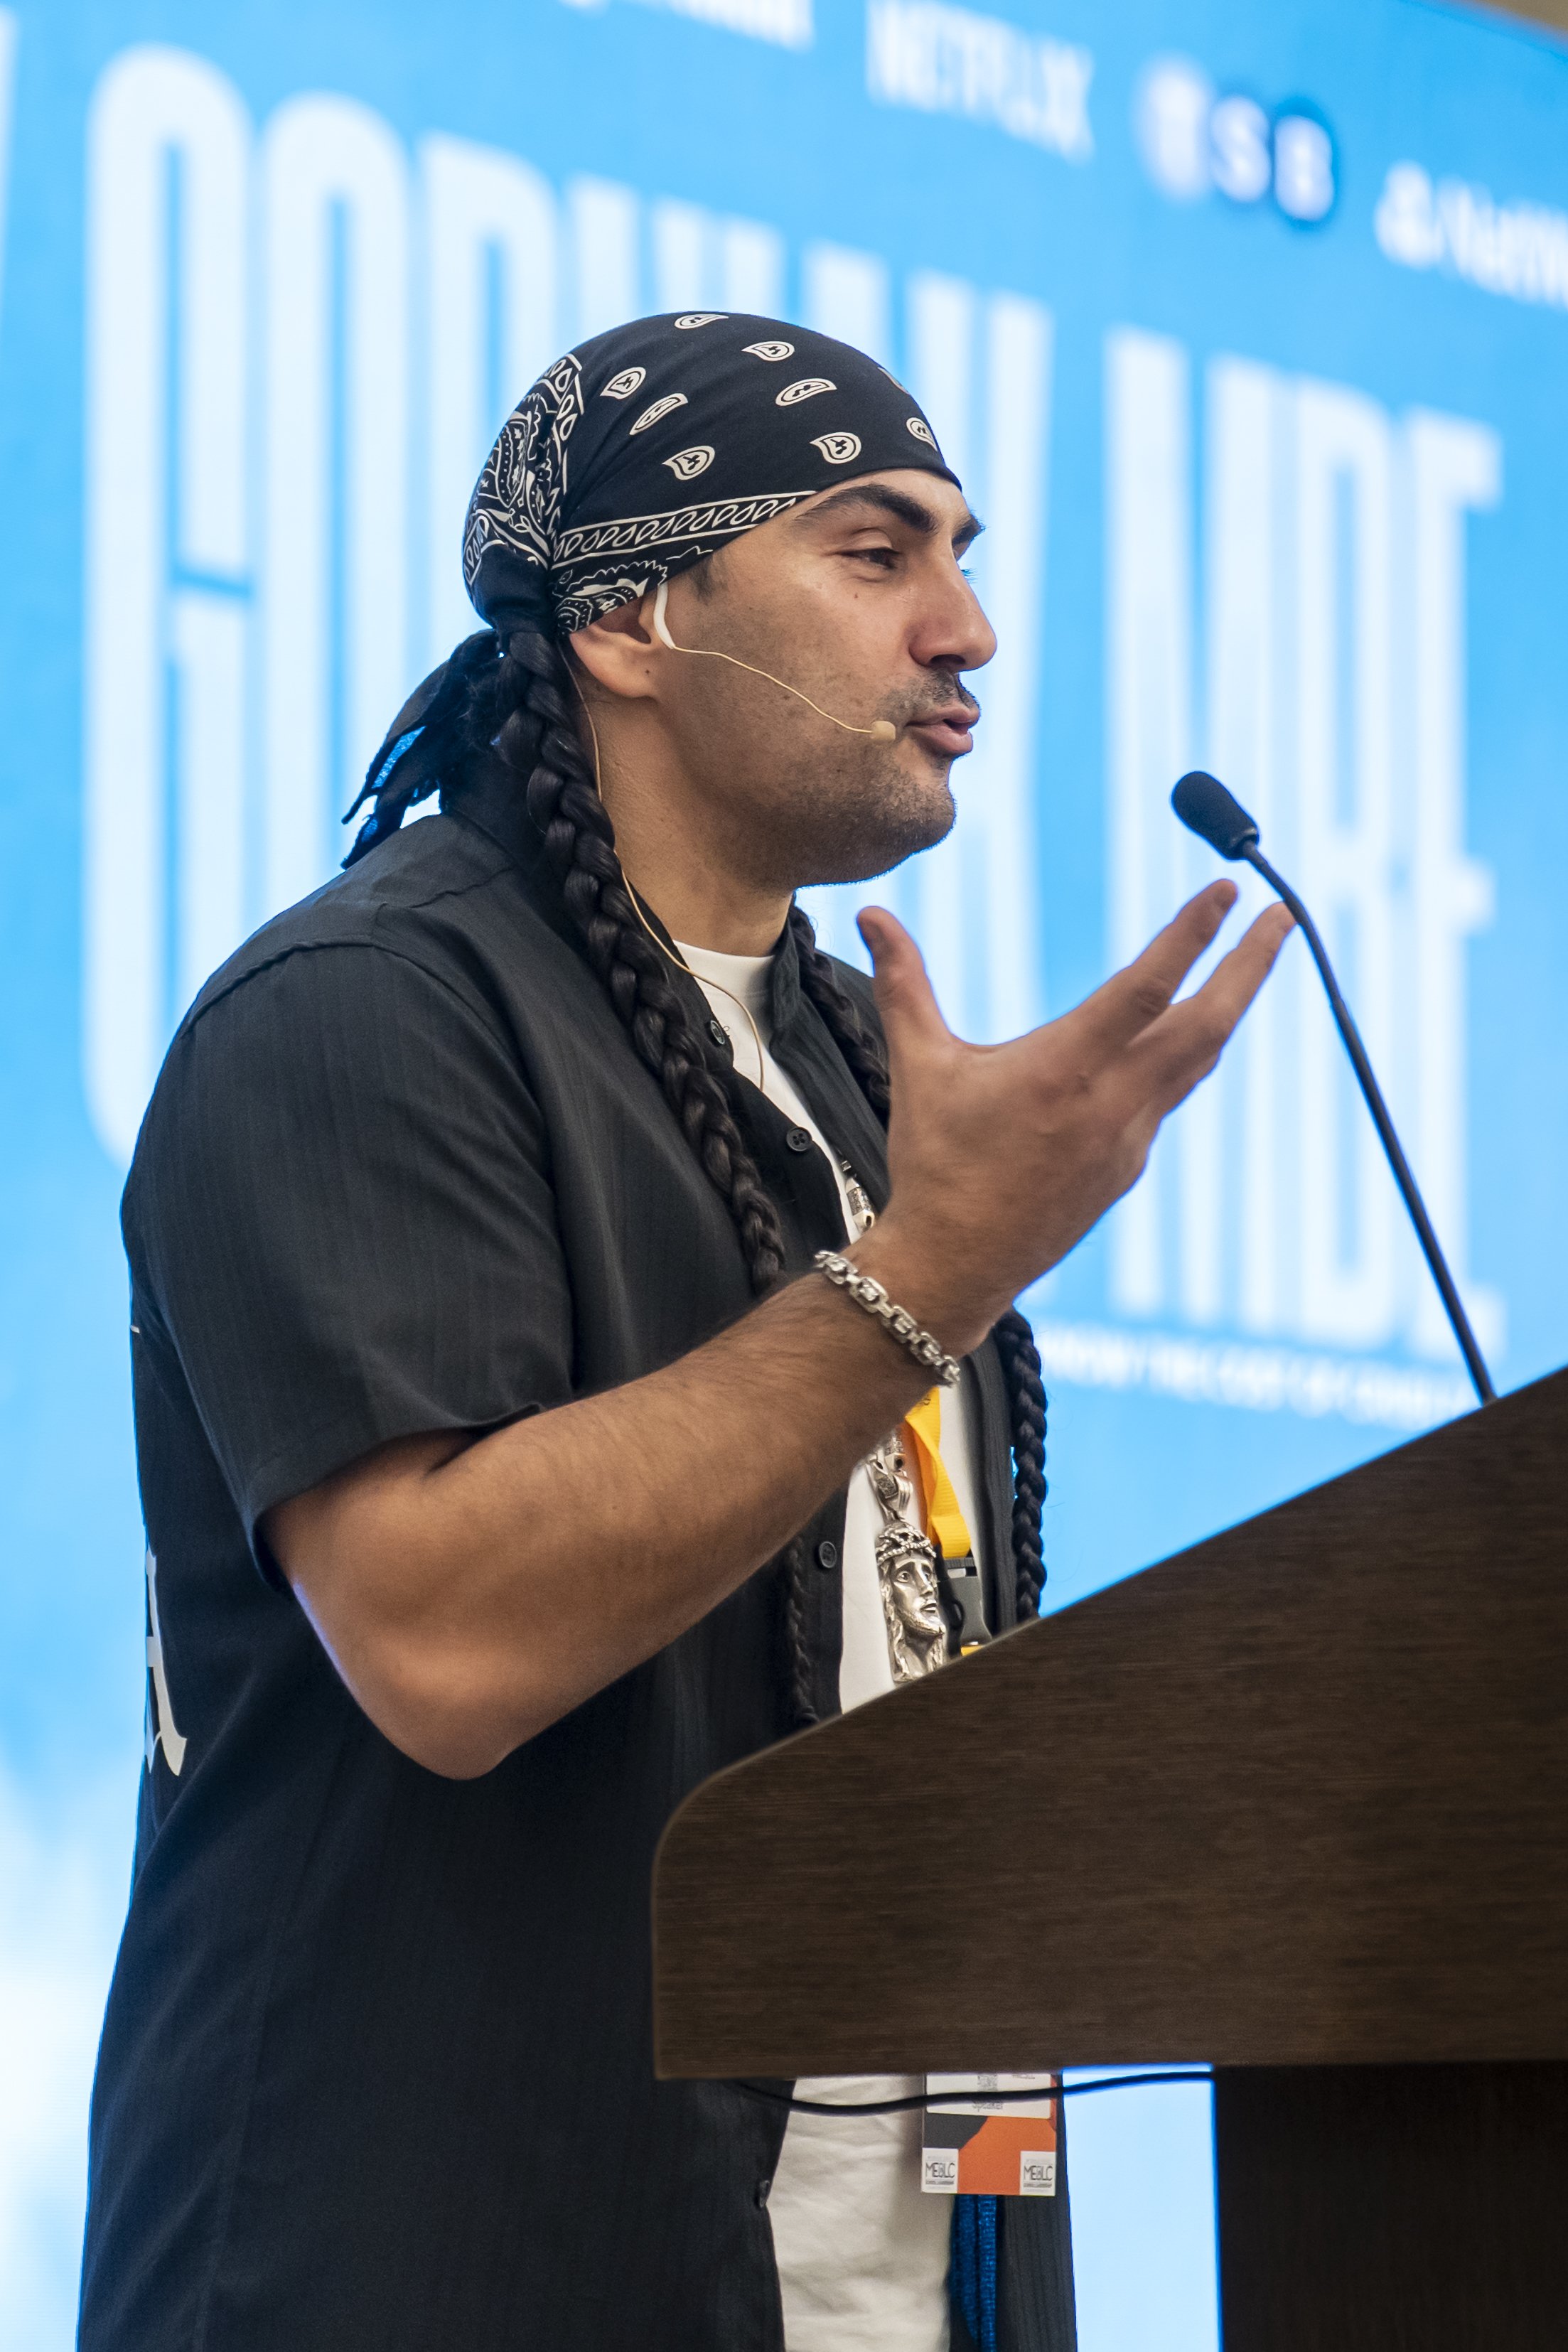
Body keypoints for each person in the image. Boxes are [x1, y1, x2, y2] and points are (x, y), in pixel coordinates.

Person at [80, 312, 1292, 2352]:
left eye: (963, 556)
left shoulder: (860, 1065)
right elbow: (444, 1639)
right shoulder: (363, 1011)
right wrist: (931, 1274)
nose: (970, 630)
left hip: (893, 2287)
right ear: (633, 619)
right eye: (876, 552)